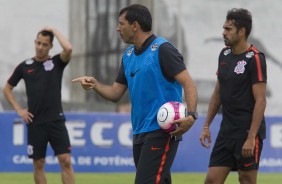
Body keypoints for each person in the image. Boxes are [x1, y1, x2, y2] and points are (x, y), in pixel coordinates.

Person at [72, 4, 198, 184]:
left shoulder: (163, 49)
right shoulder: (128, 55)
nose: (117, 28)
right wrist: (95, 84)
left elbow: (188, 83)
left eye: (121, 23)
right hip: (139, 131)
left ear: (135, 25)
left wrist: (191, 115)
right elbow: (115, 93)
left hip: (162, 131)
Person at [200, 8, 267, 184]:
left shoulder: (256, 58)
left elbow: (261, 100)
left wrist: (251, 137)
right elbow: (217, 94)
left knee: (246, 180)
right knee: (212, 180)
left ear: (242, 31)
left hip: (247, 132)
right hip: (226, 131)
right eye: (224, 28)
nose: (223, 33)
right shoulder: (224, 54)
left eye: (228, 29)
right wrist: (206, 125)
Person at [3, 27, 75, 184]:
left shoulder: (57, 62)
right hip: (35, 122)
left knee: (66, 160)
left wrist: (53, 30)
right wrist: (19, 110)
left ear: (50, 46)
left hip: (56, 120)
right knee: (38, 164)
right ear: (35, 43)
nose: (40, 47)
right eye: (38, 43)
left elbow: (68, 48)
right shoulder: (24, 66)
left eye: (44, 44)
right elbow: (7, 88)